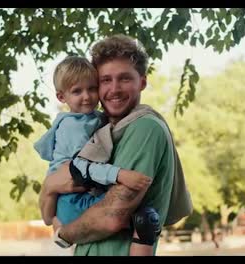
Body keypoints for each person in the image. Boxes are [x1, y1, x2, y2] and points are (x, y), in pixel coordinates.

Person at [39, 34, 192, 256]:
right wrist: (50, 186)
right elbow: (47, 212)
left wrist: (62, 234)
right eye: (105, 80)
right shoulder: (104, 132)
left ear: (142, 82)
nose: (115, 89)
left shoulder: (144, 128)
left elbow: (112, 217)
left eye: (125, 79)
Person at [34, 55, 160, 256]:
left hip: (74, 195)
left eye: (92, 88)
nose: (87, 97)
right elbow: (81, 167)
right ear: (61, 97)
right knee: (139, 216)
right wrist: (119, 174)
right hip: (72, 199)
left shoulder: (92, 118)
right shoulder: (73, 127)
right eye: (77, 91)